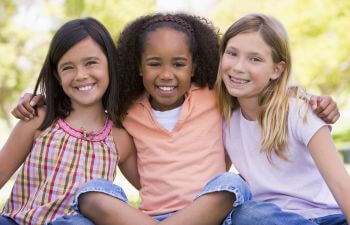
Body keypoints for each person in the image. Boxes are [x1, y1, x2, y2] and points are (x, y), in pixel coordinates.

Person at [10, 13, 341, 225]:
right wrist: (38, 99)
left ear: (195, 66)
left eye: (178, 64)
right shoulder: (127, 114)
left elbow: (262, 90)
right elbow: (144, 180)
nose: (166, 74)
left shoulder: (216, 99)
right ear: (137, 68)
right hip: (153, 217)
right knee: (91, 193)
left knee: (233, 185)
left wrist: (308, 97)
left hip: (209, 213)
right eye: (154, 63)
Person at [0, 17, 139, 225]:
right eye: (68, 67)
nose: (81, 75)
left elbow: (153, 190)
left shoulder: (119, 138)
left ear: (111, 64)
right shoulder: (39, 119)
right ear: (57, 75)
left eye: (91, 63)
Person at [215, 13, 350, 224]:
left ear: (276, 70)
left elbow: (342, 185)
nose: (238, 67)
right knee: (243, 214)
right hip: (272, 218)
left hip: (328, 218)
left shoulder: (299, 112)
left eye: (255, 59)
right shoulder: (226, 121)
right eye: (232, 53)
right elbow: (214, 182)